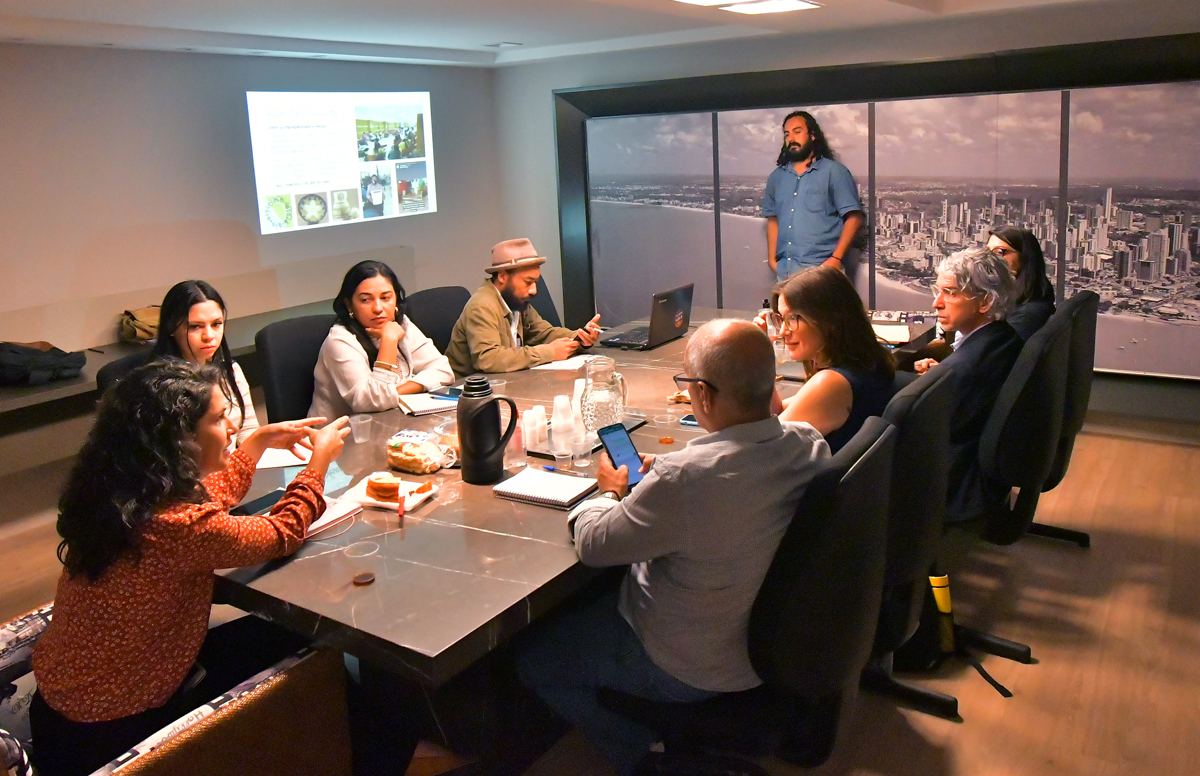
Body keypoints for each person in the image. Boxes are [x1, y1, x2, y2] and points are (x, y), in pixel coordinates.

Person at [517, 320, 830, 775]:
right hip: (771, 644)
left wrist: (606, 492)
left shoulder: (685, 480)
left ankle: (642, 757)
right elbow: (733, 469)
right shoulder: (808, 444)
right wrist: (664, 471)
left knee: (534, 661)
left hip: (686, 665)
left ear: (702, 394)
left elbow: (592, 544)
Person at [30, 360, 351, 776]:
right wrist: (317, 466)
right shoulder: (177, 528)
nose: (231, 426)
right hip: (109, 726)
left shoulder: (125, 490)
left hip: (66, 699)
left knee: (270, 632)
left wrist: (255, 444)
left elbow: (203, 500)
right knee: (302, 638)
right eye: (219, 419)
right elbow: (282, 532)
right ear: (179, 440)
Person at [913, 248, 1023, 522]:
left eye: (950, 293)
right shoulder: (1003, 338)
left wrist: (939, 383)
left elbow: (929, 429)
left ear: (985, 301)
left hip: (955, 486)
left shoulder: (964, 369)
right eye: (937, 291)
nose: (936, 303)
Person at [755, 266, 895, 453]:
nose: (783, 331)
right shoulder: (864, 364)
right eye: (781, 319)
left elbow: (765, 450)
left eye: (794, 318)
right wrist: (762, 352)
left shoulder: (830, 384)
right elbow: (777, 411)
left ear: (828, 320)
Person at [310, 260, 453, 419]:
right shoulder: (340, 341)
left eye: (385, 298)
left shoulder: (401, 323)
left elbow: (443, 370)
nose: (378, 308)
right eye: (365, 300)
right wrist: (389, 342)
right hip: (338, 435)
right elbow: (369, 402)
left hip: (393, 422)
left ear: (396, 301)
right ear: (349, 305)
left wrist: (394, 393)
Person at [445, 238, 603, 377]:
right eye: (528, 282)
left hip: (504, 382)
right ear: (502, 276)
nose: (534, 290)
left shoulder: (514, 300)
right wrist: (550, 352)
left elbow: (543, 333)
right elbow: (488, 359)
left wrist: (580, 337)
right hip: (465, 392)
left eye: (536, 282)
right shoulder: (482, 306)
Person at [152, 280, 258, 451]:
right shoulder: (161, 387)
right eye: (195, 327)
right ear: (171, 327)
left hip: (229, 471)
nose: (209, 336)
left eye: (216, 324)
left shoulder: (230, 370)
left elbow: (248, 432)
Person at [761, 111, 865, 284]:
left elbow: (854, 218)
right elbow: (772, 220)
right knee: (784, 313)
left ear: (813, 135)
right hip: (785, 275)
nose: (791, 138)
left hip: (822, 274)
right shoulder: (776, 178)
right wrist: (773, 262)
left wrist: (835, 260)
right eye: (787, 134)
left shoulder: (835, 172)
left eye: (797, 131)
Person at [986, 226, 1056, 340]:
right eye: (987, 251)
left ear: (1024, 257)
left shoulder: (1028, 313)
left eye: (999, 252)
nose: (989, 258)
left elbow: (994, 350)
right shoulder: (1006, 296)